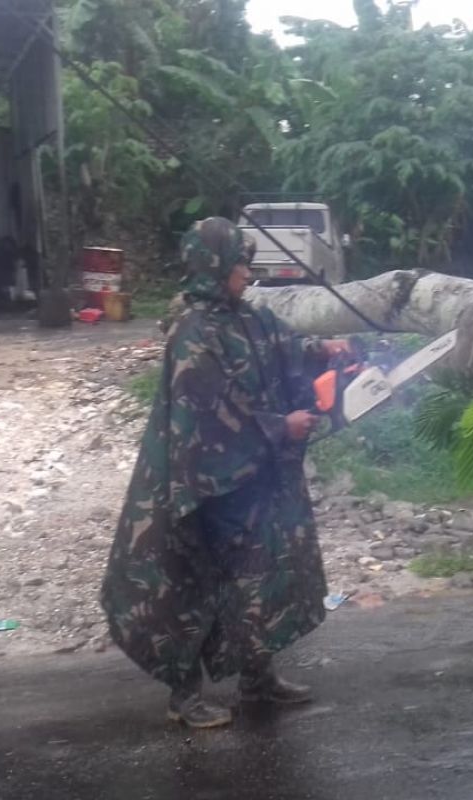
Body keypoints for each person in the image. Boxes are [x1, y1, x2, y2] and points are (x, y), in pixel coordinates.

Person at [102, 217, 348, 728]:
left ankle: (258, 677)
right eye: (239, 262)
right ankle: (184, 694)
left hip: (250, 479)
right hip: (204, 485)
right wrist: (283, 426)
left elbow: (280, 346)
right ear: (213, 266)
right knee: (194, 582)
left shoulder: (244, 316)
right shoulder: (192, 333)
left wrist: (322, 349)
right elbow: (211, 413)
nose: (246, 271)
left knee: (259, 576)